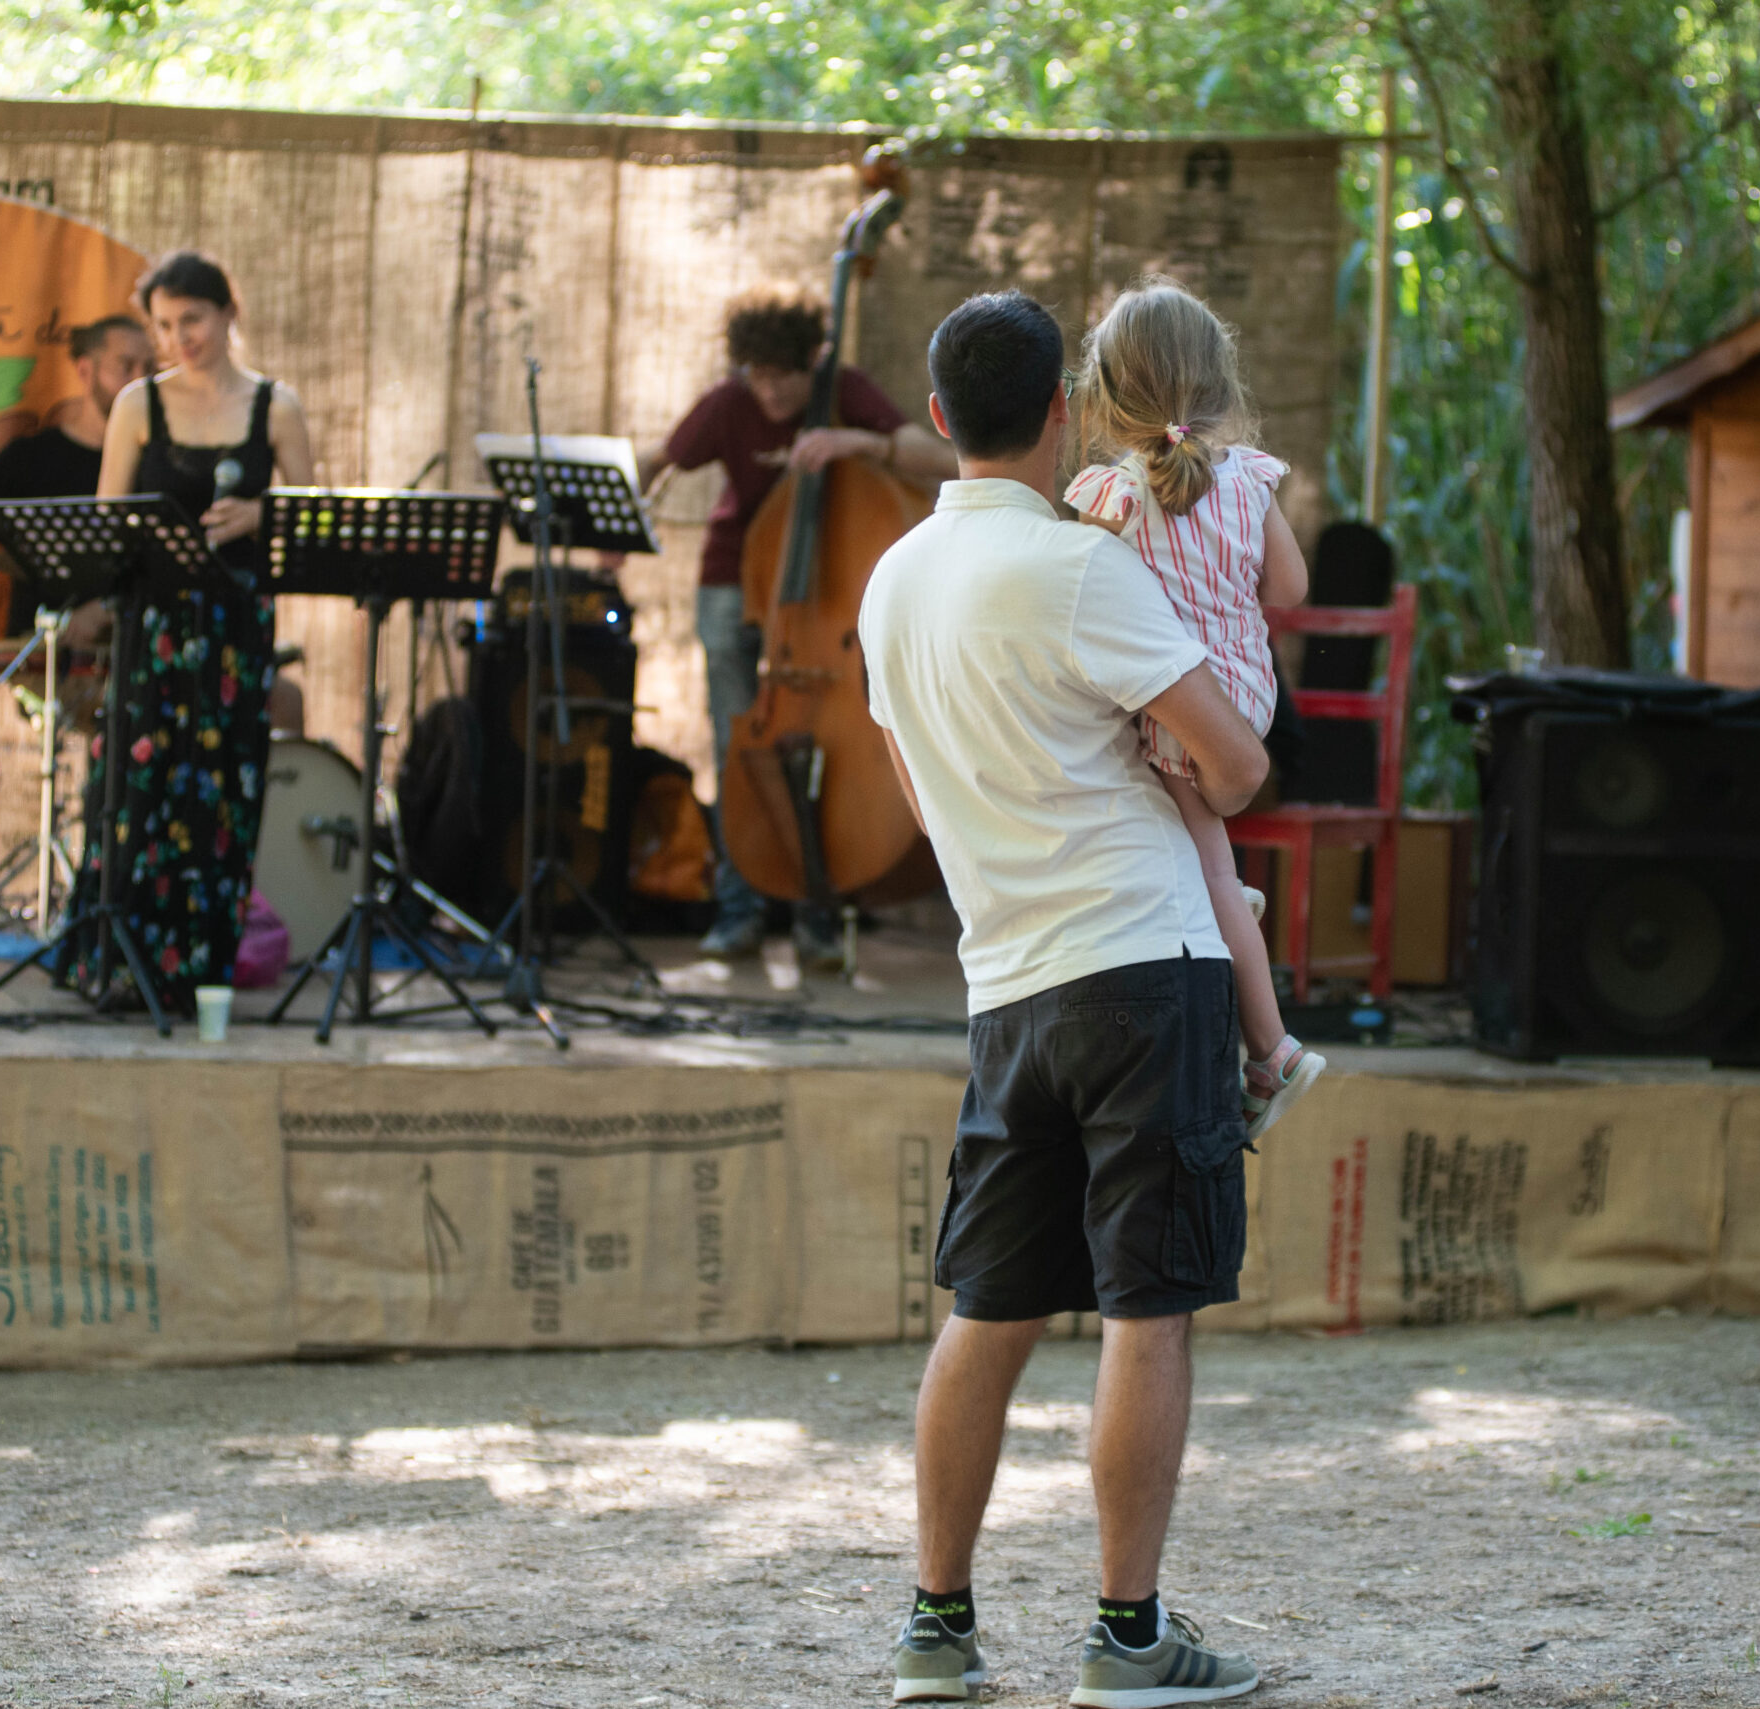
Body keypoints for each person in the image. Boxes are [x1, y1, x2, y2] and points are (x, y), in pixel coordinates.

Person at [858, 290, 1268, 1706]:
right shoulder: (1081, 570)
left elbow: (919, 795)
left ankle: (935, 1626)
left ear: (935, 417)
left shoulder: (891, 584)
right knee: (1148, 1308)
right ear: (1060, 418)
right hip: (1144, 969)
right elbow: (1235, 768)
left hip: (1007, 984)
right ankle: (1129, 1637)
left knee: (988, 1307)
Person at [1064, 279, 1326, 1140]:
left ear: (1105, 394)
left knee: (1213, 872)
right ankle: (1221, 900)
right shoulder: (1250, 476)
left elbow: (1079, 599)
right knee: (1208, 858)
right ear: (1219, 380)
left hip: (1186, 710)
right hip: (1248, 697)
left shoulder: (1114, 495)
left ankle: (1273, 1050)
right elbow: (1288, 588)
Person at [633, 287, 957, 967]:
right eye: (756, 376)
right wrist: (621, 511)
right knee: (736, 743)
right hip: (736, 583)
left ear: (811, 366)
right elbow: (660, 460)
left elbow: (932, 457)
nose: (769, 392)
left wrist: (854, 440)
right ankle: (738, 911)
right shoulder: (730, 402)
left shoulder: (843, 390)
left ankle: (816, 907)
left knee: (823, 755)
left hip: (819, 604)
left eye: (782, 377)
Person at [72, 249, 316, 1010]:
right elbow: (107, 523)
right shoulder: (138, 405)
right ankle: (123, 965)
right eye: (166, 325)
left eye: (194, 321)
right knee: (138, 791)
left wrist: (262, 516)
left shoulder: (276, 406)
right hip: (154, 628)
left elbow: (316, 521)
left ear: (228, 313)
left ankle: (201, 969)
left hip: (236, 626)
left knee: (223, 795)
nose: (181, 337)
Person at [0, 315, 154, 606]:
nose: (141, 381)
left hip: (133, 641)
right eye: (125, 366)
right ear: (85, 370)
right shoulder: (27, 459)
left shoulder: (162, 463)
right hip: (38, 644)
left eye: (151, 369)